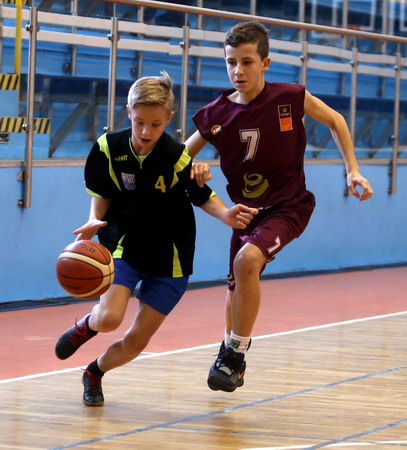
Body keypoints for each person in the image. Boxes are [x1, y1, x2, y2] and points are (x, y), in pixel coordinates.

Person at [185, 21, 374, 393]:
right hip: (245, 212)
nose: (238, 70)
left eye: (247, 62)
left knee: (247, 261)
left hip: (289, 206)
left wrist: (352, 169)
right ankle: (228, 354)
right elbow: (179, 158)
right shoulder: (216, 114)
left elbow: (336, 120)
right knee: (235, 284)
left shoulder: (290, 97)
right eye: (231, 62)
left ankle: (236, 355)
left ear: (265, 63)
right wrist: (194, 167)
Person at [55, 71, 258, 407]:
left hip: (171, 256)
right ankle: (86, 326)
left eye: (155, 124)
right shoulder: (108, 147)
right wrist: (94, 218)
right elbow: (102, 193)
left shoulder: (177, 156)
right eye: (139, 122)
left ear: (169, 119)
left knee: (136, 342)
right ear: (128, 112)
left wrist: (226, 214)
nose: (146, 132)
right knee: (109, 318)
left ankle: (94, 372)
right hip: (124, 244)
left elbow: (203, 196)